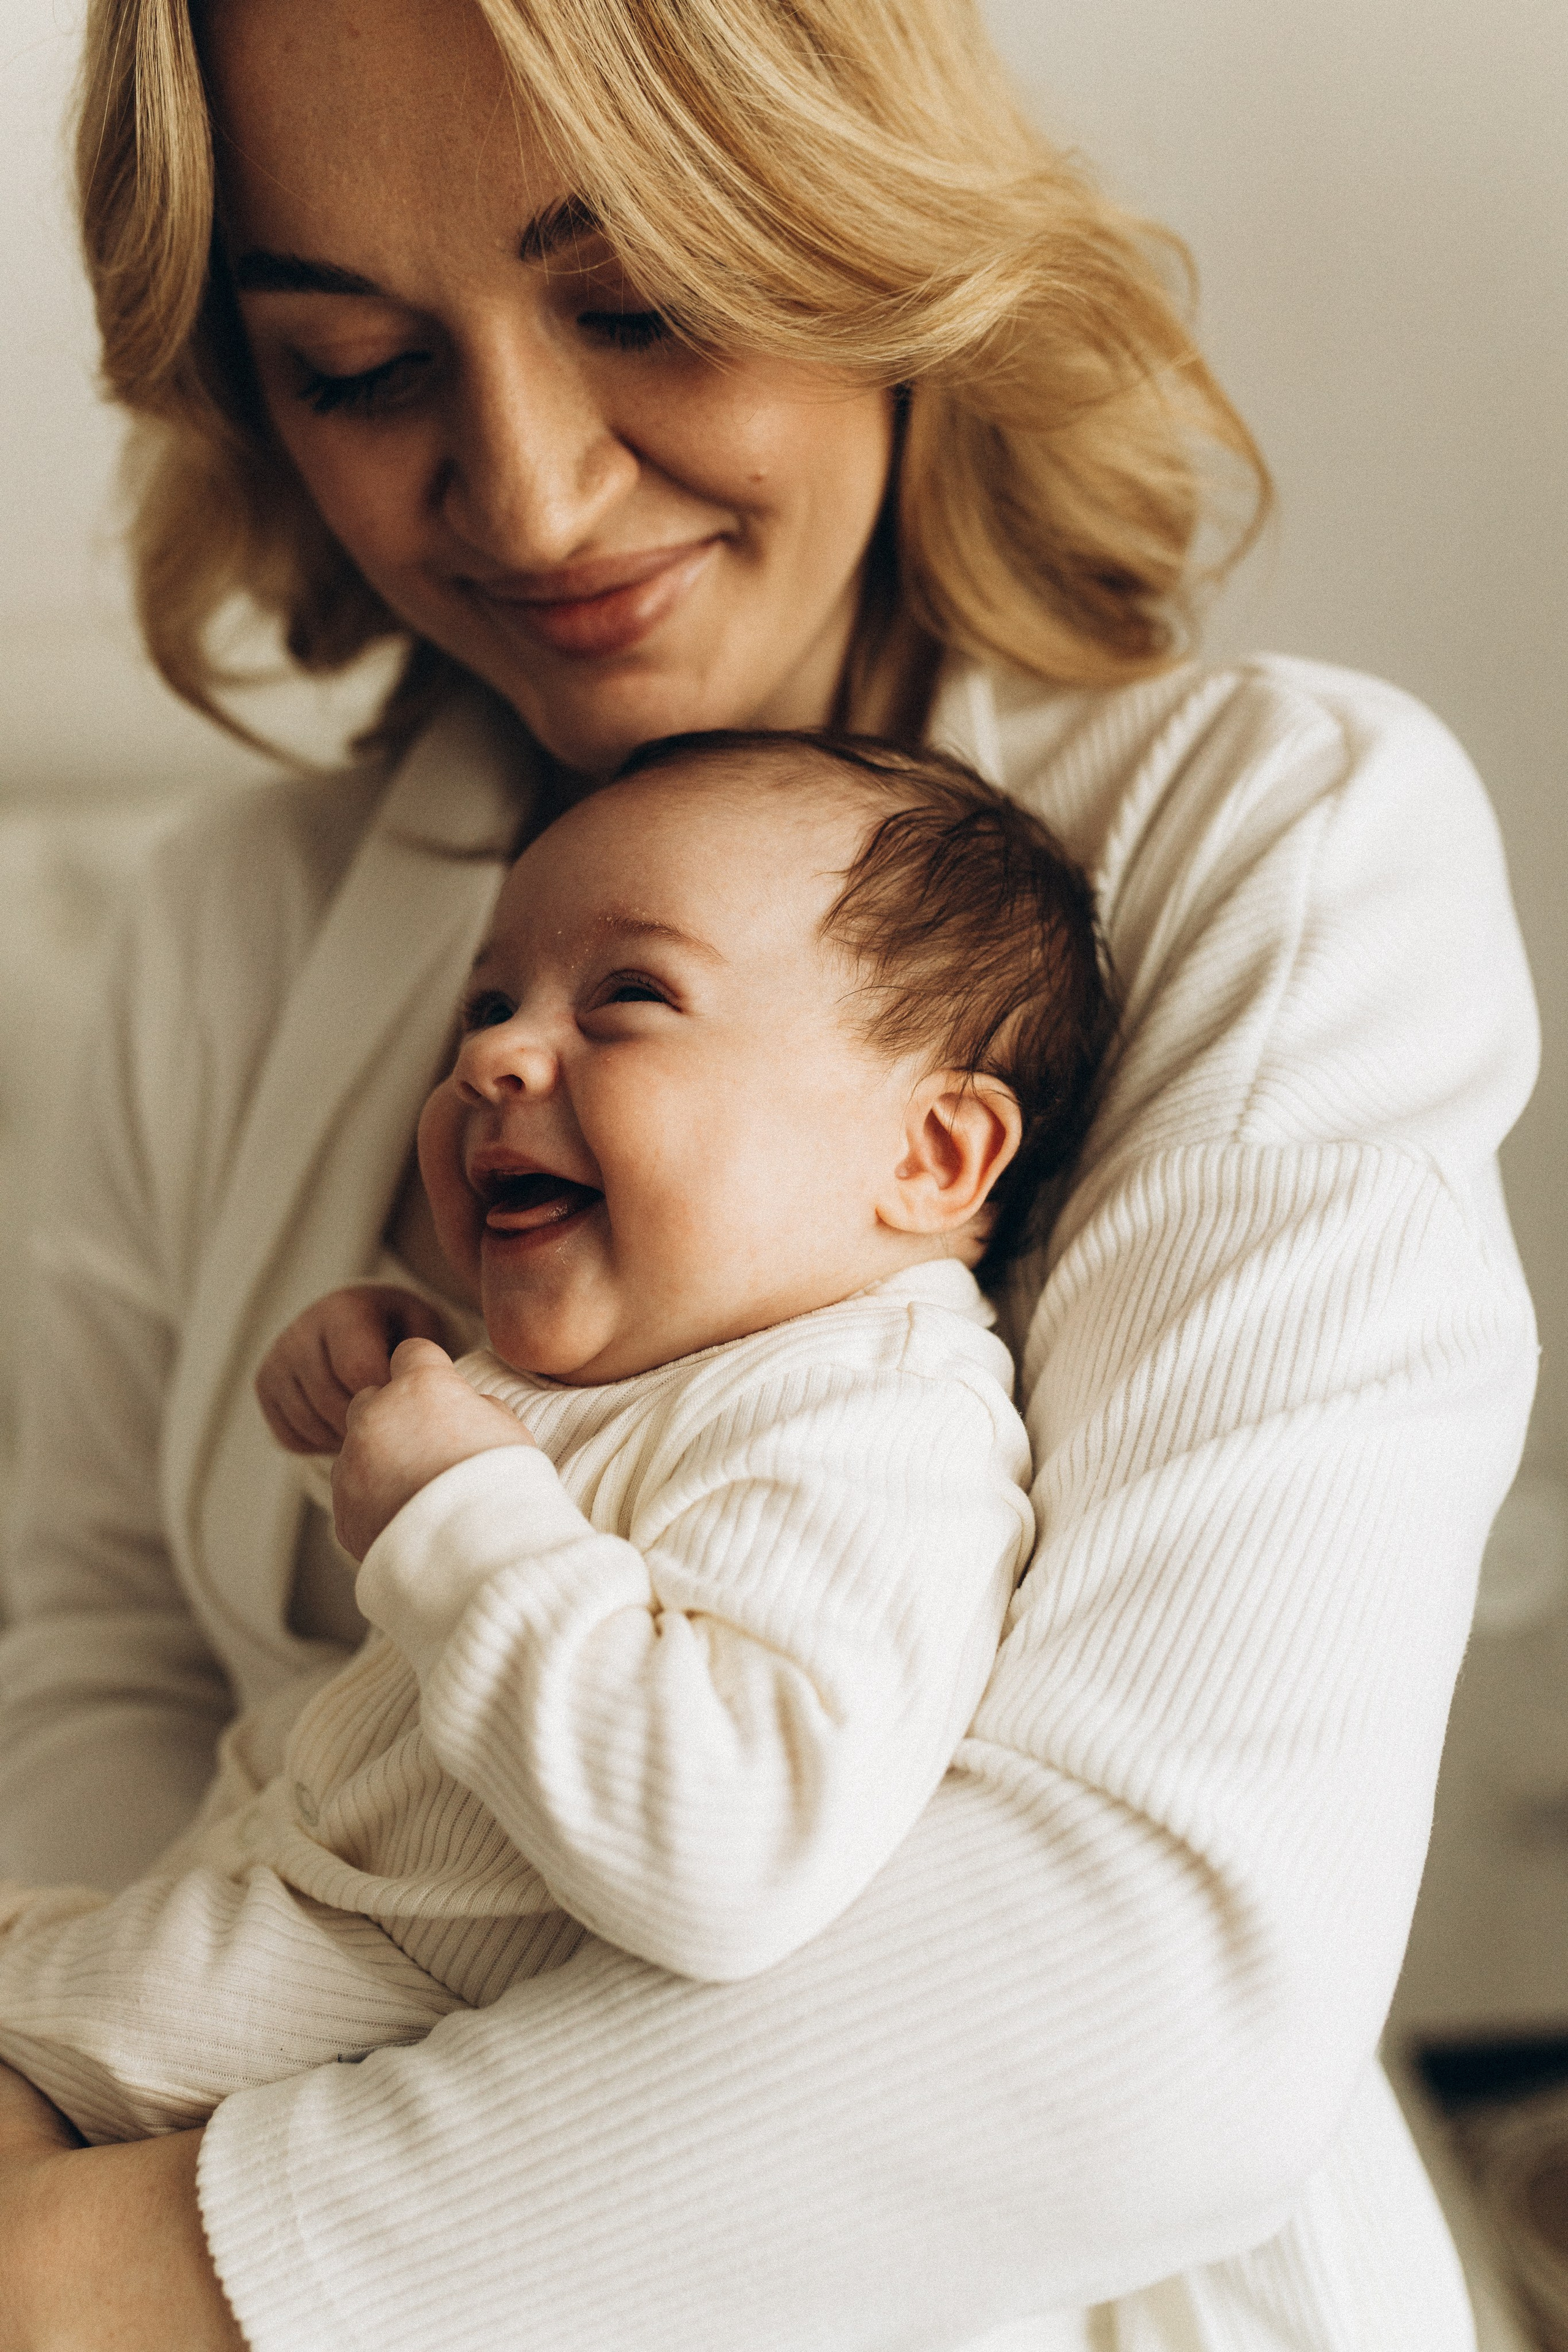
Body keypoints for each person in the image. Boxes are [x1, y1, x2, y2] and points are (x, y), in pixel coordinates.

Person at [0, 0, 1536, 2345]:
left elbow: (1149, 1978)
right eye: (358, 366)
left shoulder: (1272, 842)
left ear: (869, 235)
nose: (522, 494)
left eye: (639, 307)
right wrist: (81, 2075)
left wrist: (115, 2269)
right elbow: (98, 1660)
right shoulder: (232, 927)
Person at [0, 732, 1106, 2134]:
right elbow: (484, 1636)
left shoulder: (878, 1427)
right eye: (486, 1003)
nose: (495, 1057)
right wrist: (363, 1437)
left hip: (320, 2042)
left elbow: (730, 1844)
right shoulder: (681, 1356)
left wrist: (454, 1506)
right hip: (222, 1922)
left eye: (631, 996)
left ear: (930, 1154)